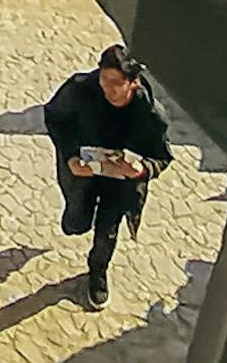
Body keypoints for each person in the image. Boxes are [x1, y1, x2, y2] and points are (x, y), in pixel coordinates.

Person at [44, 42, 173, 310]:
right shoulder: (80, 90)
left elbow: (162, 157)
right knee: (76, 221)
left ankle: (97, 272)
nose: (108, 89)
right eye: (104, 79)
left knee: (107, 233)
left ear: (133, 83)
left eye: (116, 83)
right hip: (85, 174)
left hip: (121, 184)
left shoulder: (150, 114)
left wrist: (143, 169)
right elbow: (55, 117)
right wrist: (69, 156)